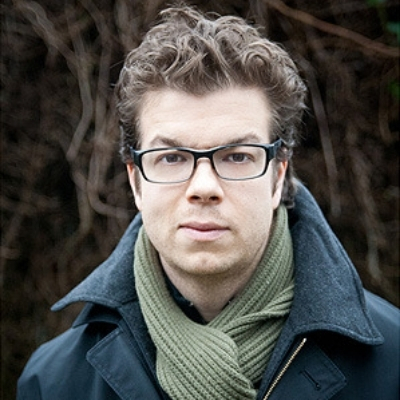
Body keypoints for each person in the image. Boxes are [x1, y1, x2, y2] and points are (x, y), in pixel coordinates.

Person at [17, 6, 399, 400]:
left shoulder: (393, 361)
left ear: (278, 175)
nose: (203, 187)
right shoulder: (55, 382)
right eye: (171, 158)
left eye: (237, 156)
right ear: (136, 181)